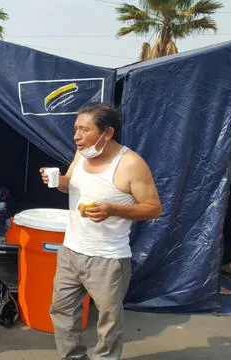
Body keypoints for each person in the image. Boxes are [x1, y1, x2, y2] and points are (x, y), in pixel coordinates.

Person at [40, 103, 161, 360]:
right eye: (76, 129)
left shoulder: (130, 163)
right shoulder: (82, 153)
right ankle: (72, 356)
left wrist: (112, 209)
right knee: (62, 312)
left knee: (109, 322)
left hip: (108, 258)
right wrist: (56, 180)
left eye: (84, 130)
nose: (76, 136)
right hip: (71, 250)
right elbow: (69, 184)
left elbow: (153, 208)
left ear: (107, 133)